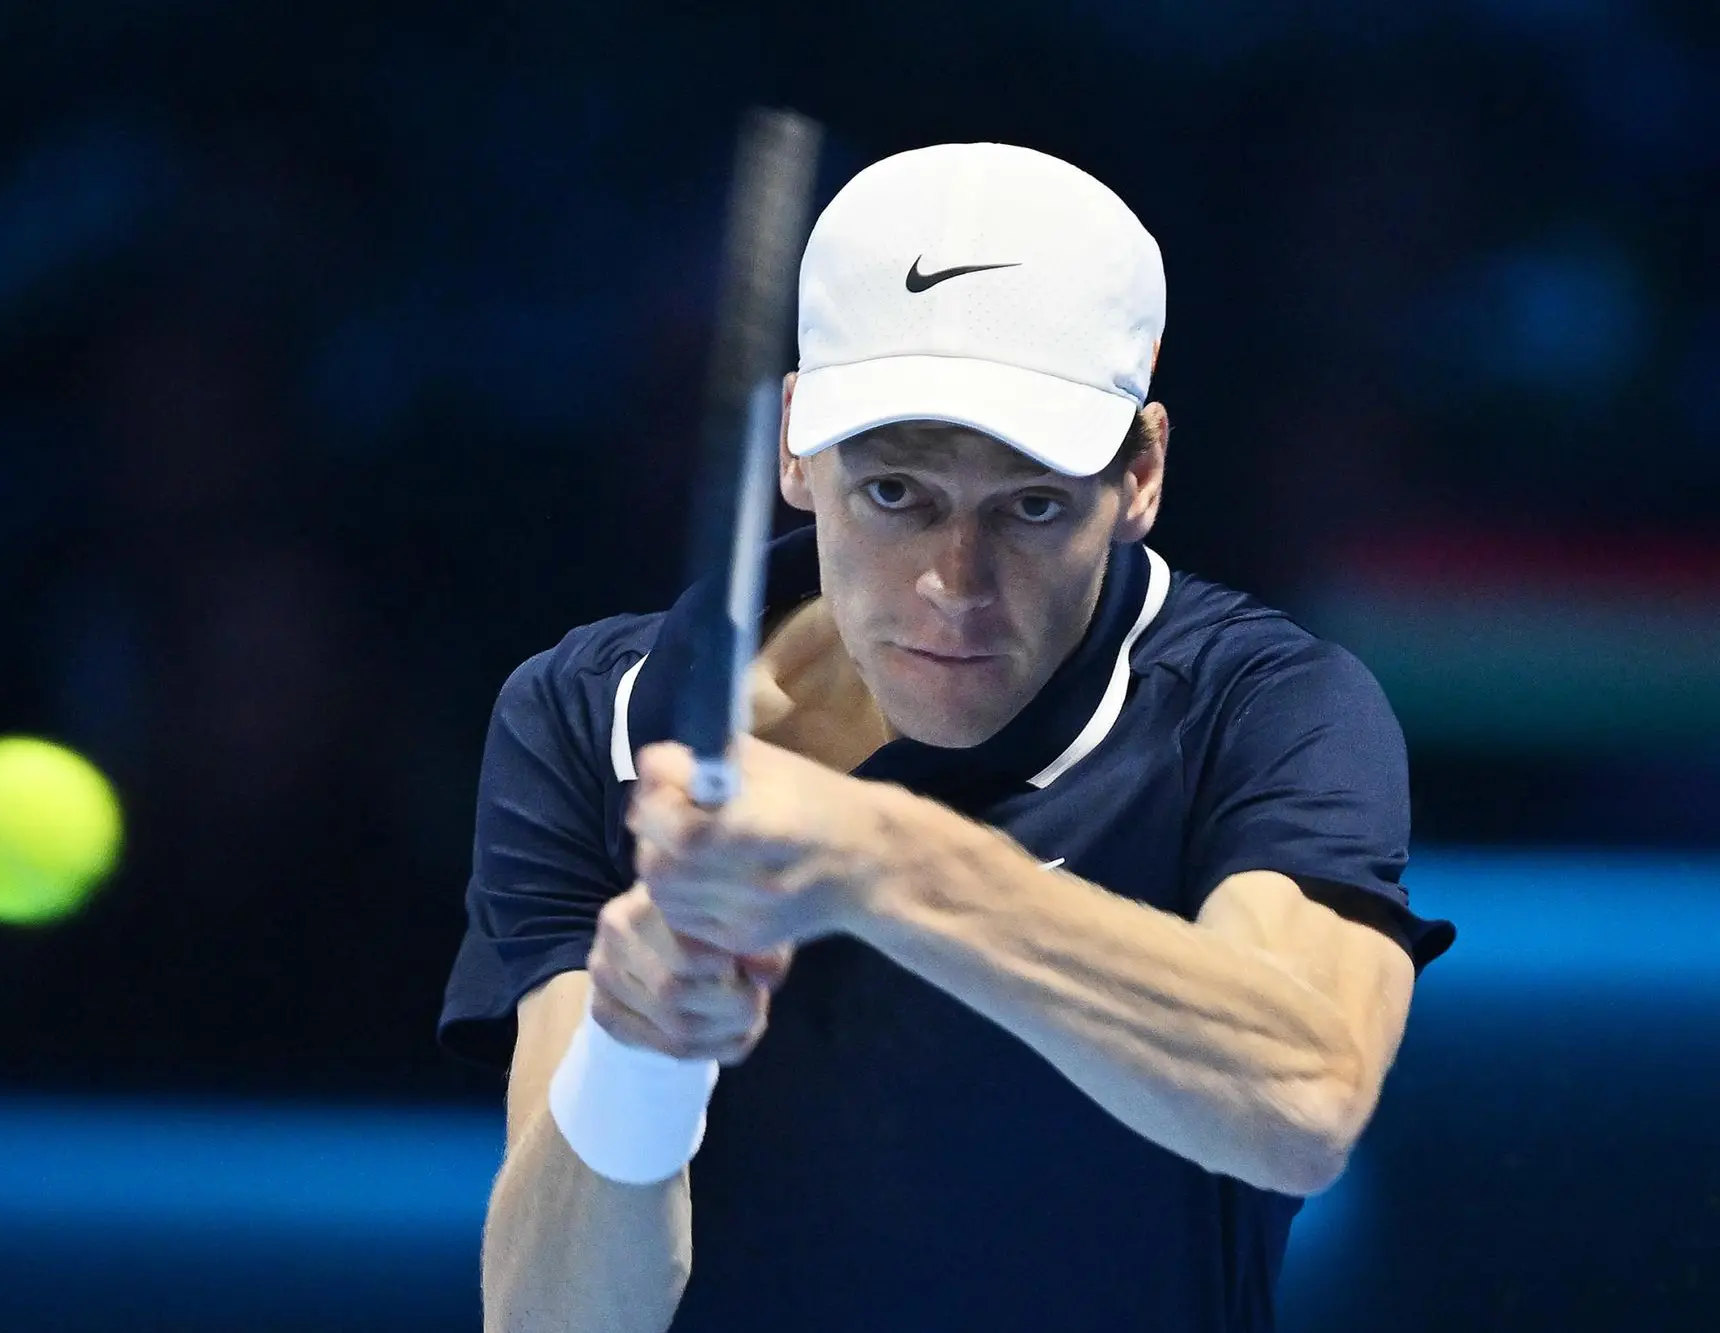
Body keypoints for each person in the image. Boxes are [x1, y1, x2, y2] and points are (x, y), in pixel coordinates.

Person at [438, 142, 1455, 1333]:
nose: (952, 586)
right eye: (894, 494)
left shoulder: (1267, 706)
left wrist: (886, 862)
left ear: (1139, 472)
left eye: (1030, 505)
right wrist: (636, 1051)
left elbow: (1305, 1090)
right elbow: (552, 1320)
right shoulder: (585, 715)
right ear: (795, 451)